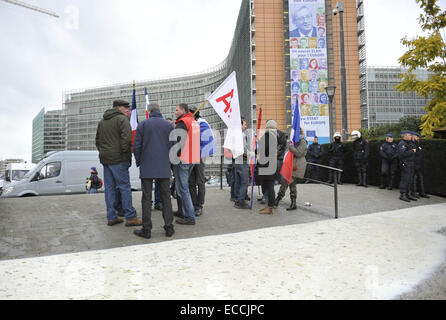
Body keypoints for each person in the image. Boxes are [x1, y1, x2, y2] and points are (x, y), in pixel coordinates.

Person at [95, 100, 142, 227]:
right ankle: (130, 217)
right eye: (126, 108)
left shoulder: (102, 121)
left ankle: (112, 216)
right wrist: (124, 156)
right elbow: (127, 140)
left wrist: (104, 152)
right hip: (119, 160)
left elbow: (97, 141)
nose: (128, 110)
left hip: (106, 159)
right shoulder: (122, 120)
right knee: (124, 187)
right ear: (118, 108)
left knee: (109, 189)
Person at [133, 103, 175, 239]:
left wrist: (140, 162)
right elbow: (174, 147)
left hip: (147, 165)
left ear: (148, 111)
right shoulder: (169, 125)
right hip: (164, 166)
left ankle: (147, 229)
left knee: (146, 198)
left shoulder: (143, 125)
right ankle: (169, 227)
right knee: (166, 197)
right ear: (160, 110)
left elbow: (137, 146)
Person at [172, 103, 200, 225]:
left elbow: (179, 141)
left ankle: (189, 216)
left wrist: (174, 156)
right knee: (182, 186)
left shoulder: (183, 122)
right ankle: (183, 211)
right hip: (193, 158)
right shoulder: (194, 122)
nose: (175, 112)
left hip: (183, 158)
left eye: (177, 110)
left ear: (183, 110)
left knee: (183, 188)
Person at [187, 106, 216, 216]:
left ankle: (199, 205)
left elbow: (205, 140)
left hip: (198, 156)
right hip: (190, 156)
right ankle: (193, 204)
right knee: (191, 182)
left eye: (189, 113)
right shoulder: (191, 123)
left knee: (199, 181)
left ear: (194, 113)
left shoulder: (202, 123)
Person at [274, 128, 307, 211]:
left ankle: (278, 200)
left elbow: (298, 153)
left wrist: (291, 147)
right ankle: (292, 203)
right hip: (292, 165)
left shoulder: (302, 142)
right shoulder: (295, 141)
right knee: (291, 184)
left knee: (287, 182)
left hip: (297, 166)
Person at [256, 120, 279, 214]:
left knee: (269, 186)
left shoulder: (267, 137)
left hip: (266, 165)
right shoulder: (275, 137)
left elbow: (262, 150)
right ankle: (270, 206)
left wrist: (257, 145)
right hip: (271, 164)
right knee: (270, 186)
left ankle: (270, 207)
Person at [233, 118, 252, 210]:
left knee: (238, 181)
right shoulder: (242, 135)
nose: (246, 126)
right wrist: (252, 154)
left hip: (237, 160)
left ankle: (237, 200)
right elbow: (243, 150)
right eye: (244, 124)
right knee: (244, 182)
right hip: (242, 160)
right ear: (240, 125)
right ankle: (240, 201)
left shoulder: (234, 135)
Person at [398, 131, 418, 202]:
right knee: (405, 179)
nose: (410, 136)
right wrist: (412, 151)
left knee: (410, 180)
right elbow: (402, 154)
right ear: (405, 136)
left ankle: (408, 194)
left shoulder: (409, 143)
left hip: (411, 163)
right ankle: (402, 194)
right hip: (406, 164)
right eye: (409, 135)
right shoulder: (402, 144)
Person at [411, 131, 430, 198]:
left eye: (418, 137)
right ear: (413, 136)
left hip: (419, 165)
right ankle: (413, 193)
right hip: (414, 165)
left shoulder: (418, 144)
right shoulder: (411, 144)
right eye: (417, 137)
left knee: (420, 180)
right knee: (414, 180)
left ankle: (422, 193)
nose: (418, 138)